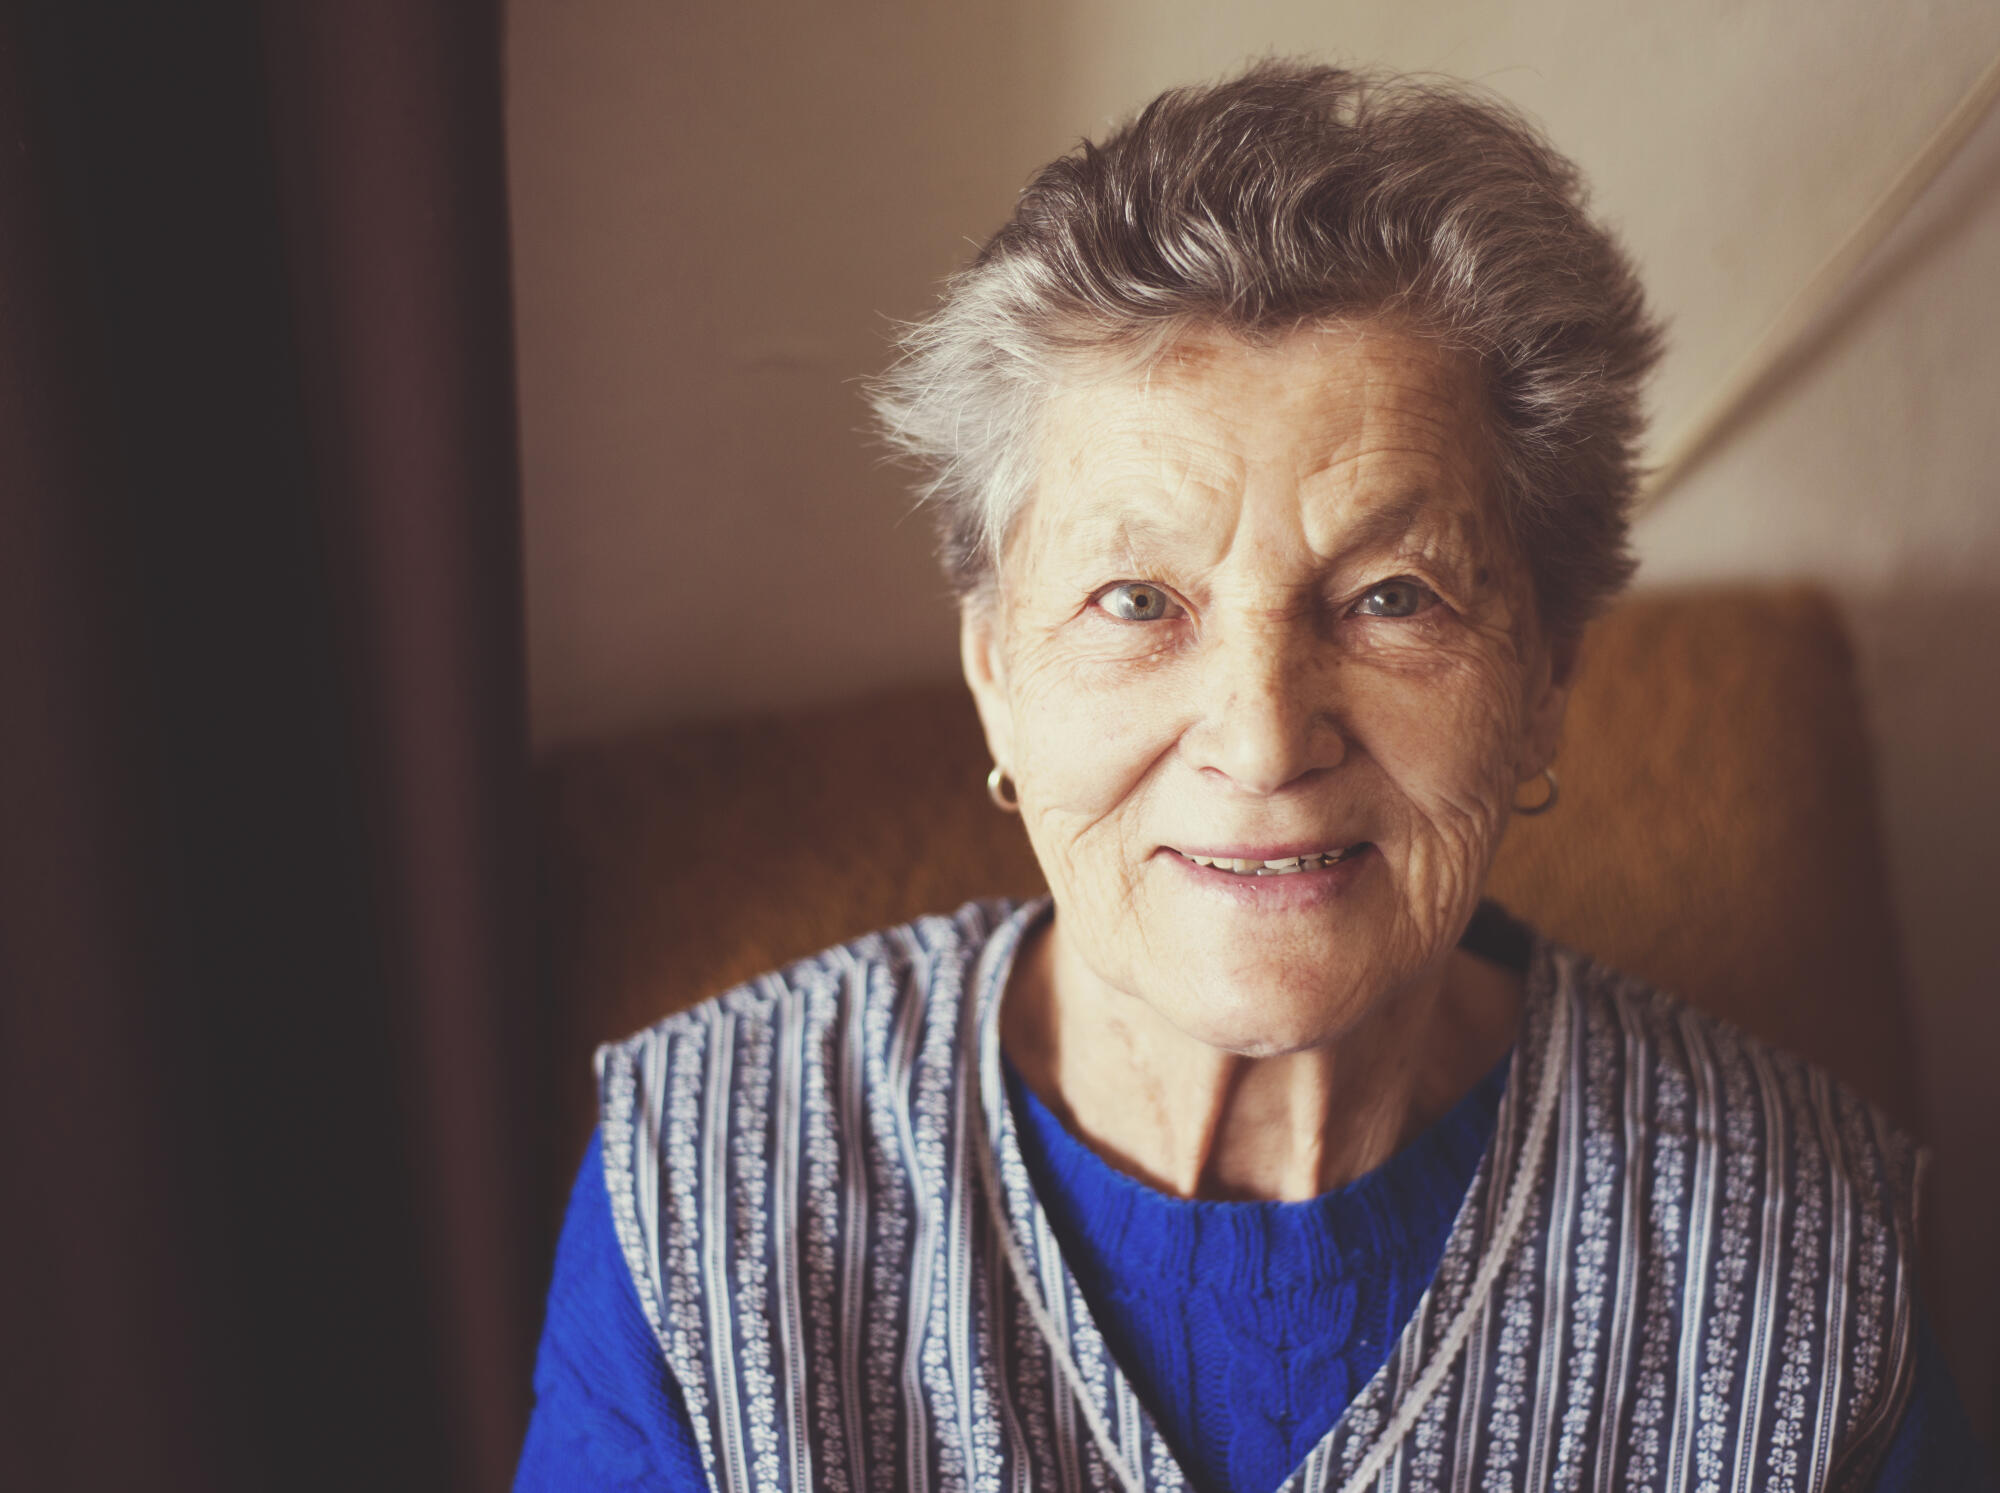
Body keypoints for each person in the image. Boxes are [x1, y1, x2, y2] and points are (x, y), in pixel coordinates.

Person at [516, 62, 1990, 1491]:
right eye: (1137, 601)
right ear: (996, 678)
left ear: (1545, 680)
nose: (1266, 736)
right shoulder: (708, 1188)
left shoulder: (1806, 1253)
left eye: (1393, 596)